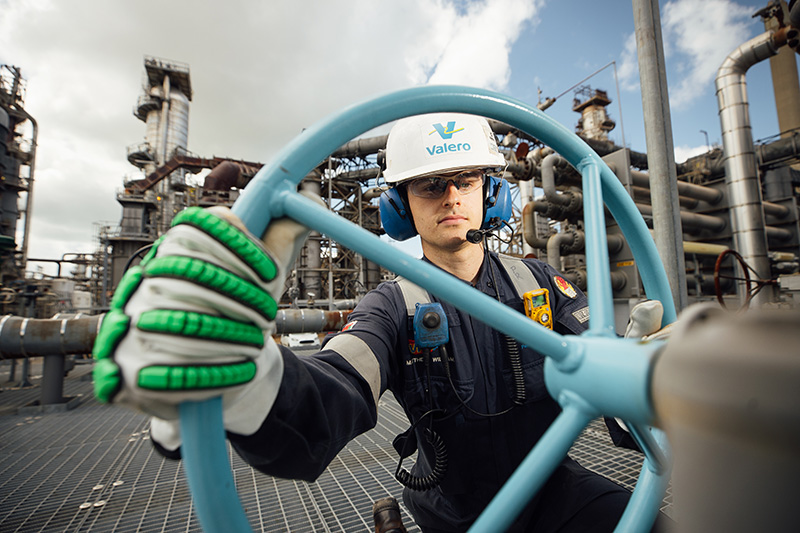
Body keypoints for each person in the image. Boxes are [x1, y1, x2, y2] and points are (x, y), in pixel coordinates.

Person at [92, 113, 665, 532]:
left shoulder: (541, 282)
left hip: (555, 494)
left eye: (466, 180)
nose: (450, 197)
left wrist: (648, 374)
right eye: (429, 184)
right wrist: (251, 382)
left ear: (490, 193)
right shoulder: (392, 307)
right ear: (400, 206)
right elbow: (334, 387)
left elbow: (611, 378)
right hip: (454, 514)